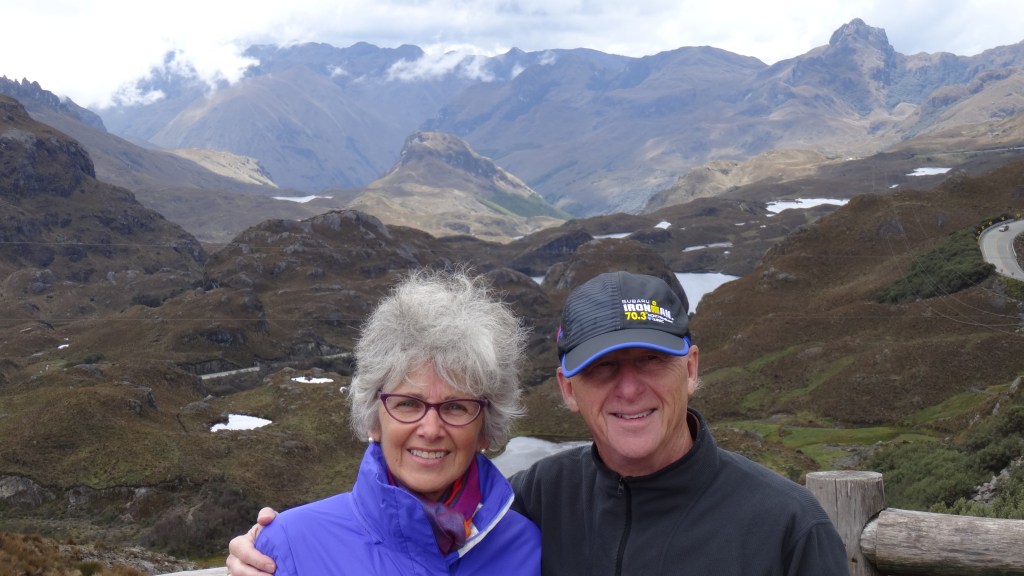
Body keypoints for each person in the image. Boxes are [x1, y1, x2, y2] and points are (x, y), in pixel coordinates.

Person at [229, 271, 850, 575]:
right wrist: (266, 551)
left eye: (651, 363)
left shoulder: (788, 528)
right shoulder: (538, 505)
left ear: (691, 368)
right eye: (604, 369)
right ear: (567, 389)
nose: (629, 388)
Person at [238, 269, 540, 575]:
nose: (431, 430)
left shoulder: (525, 547)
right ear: (374, 420)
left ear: (485, 431)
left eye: (456, 407)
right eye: (408, 404)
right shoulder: (289, 545)